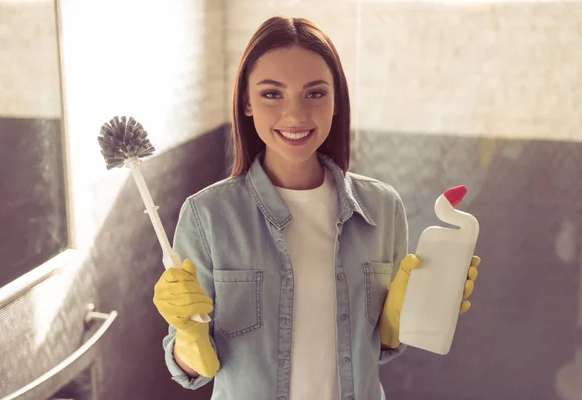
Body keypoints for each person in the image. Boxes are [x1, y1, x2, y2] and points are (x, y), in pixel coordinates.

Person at [153, 16, 481, 400]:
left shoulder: (382, 208)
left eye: (314, 93)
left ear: (337, 100)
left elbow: (383, 346)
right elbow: (196, 370)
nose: (295, 115)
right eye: (272, 94)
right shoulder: (206, 216)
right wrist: (188, 334)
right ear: (246, 101)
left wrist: (417, 312)